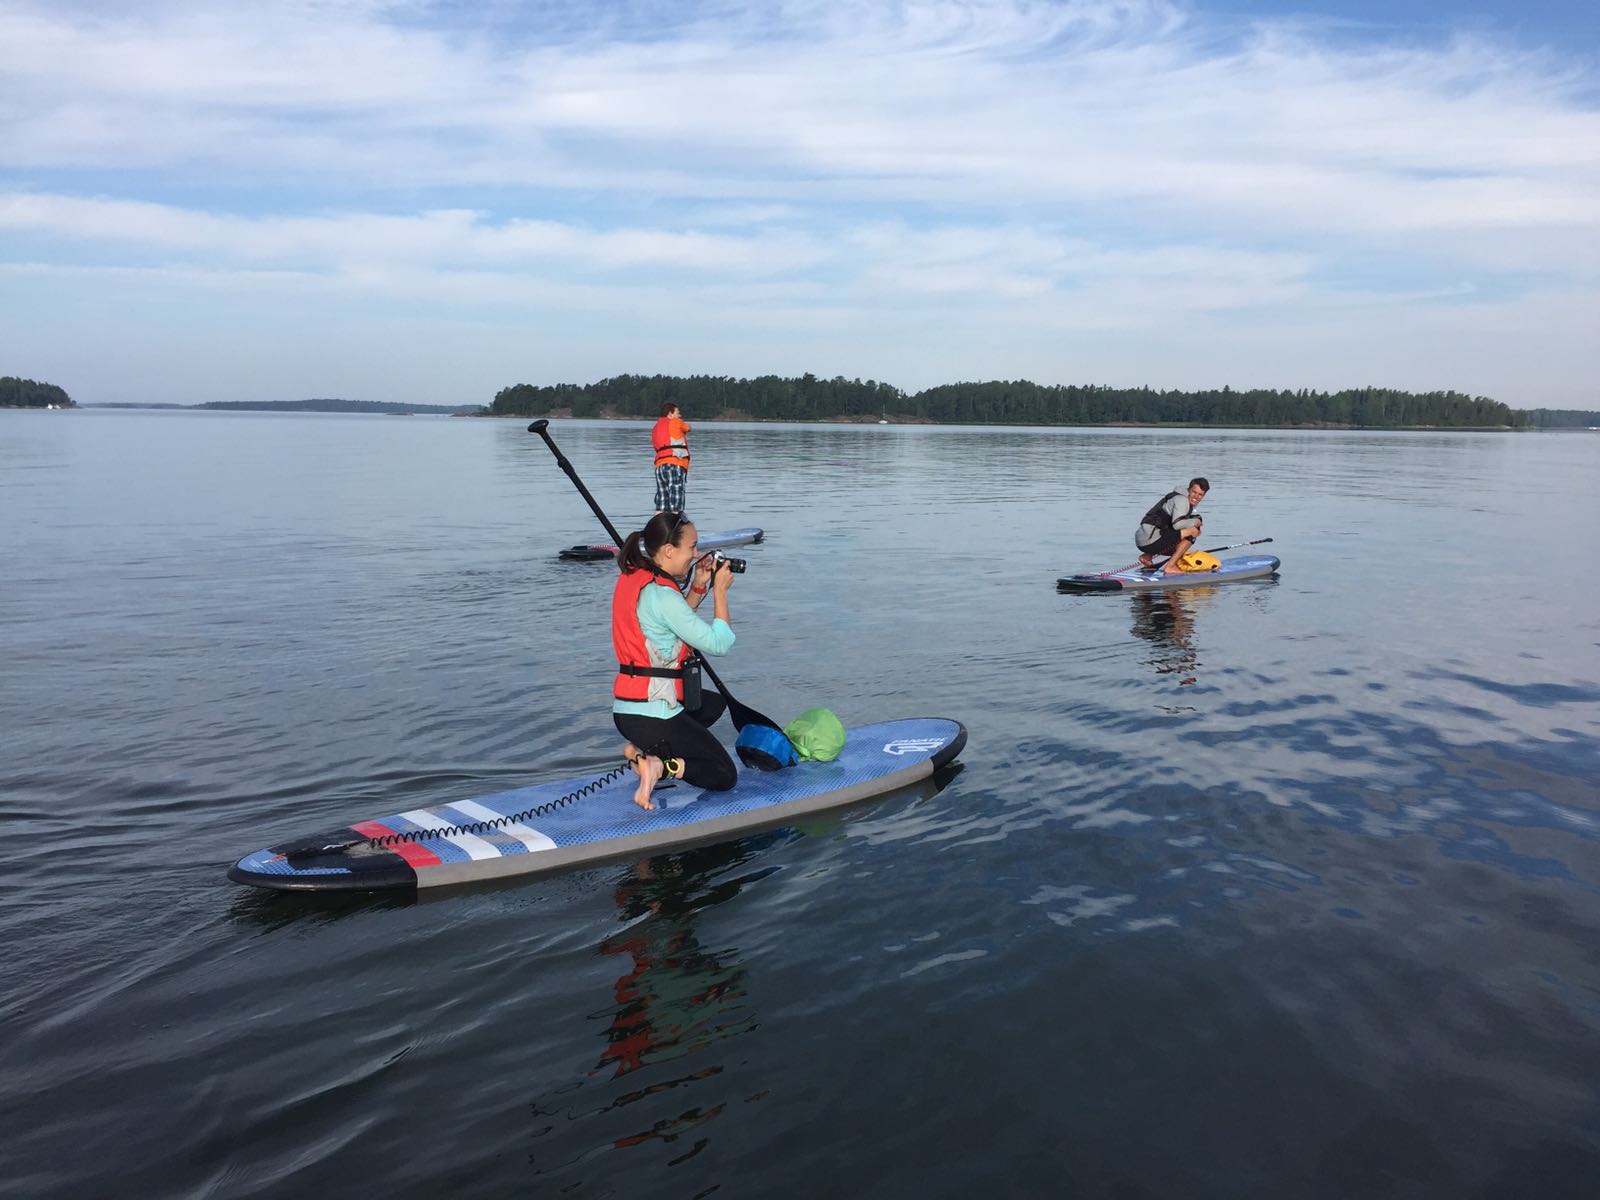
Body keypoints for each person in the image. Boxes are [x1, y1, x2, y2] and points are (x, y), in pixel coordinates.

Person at [613, 510, 737, 810]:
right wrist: (720, 592)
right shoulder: (663, 595)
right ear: (669, 550)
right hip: (651, 711)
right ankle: (661, 766)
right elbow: (719, 643)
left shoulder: (636, 579)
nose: (695, 554)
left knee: (712, 704)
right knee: (724, 774)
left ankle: (641, 750)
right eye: (691, 547)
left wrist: (698, 585)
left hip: (627, 707)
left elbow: (672, 625)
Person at [1135, 477, 1209, 575]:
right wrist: (1196, 522)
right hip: (1148, 539)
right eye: (1194, 492)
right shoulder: (1182, 500)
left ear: (1204, 495)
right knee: (1193, 531)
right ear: (1189, 489)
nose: (1196, 497)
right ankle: (1170, 566)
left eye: (1200, 494)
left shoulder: (1178, 497)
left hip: (1144, 539)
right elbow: (1177, 525)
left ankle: (1147, 556)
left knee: (1184, 539)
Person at [651, 402, 691, 514]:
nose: (680, 415)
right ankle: (676, 520)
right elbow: (688, 428)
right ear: (670, 414)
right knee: (676, 494)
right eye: (678, 413)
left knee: (662, 498)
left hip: (659, 467)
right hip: (674, 463)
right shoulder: (676, 422)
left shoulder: (655, 428)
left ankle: (658, 520)